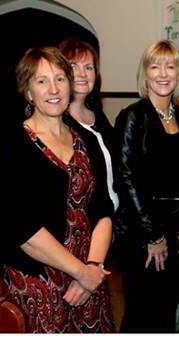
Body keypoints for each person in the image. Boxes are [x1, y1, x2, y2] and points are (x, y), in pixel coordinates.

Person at [0, 47, 114, 332]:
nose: (53, 89)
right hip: (38, 284)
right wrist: (79, 272)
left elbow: (103, 209)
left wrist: (93, 266)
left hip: (89, 280)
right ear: (27, 91)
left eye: (60, 79)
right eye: (41, 81)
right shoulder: (10, 141)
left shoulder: (86, 139)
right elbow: (19, 226)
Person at [112, 40, 179, 332]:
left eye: (170, 65)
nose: (163, 73)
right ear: (144, 73)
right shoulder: (133, 116)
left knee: (167, 310)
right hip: (143, 233)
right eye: (155, 65)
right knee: (141, 313)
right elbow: (126, 178)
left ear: (178, 73)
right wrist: (154, 235)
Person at [59, 39, 118, 213]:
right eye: (73, 66)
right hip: (83, 224)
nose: (82, 74)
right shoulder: (59, 122)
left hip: (116, 223)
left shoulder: (99, 116)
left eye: (88, 67)